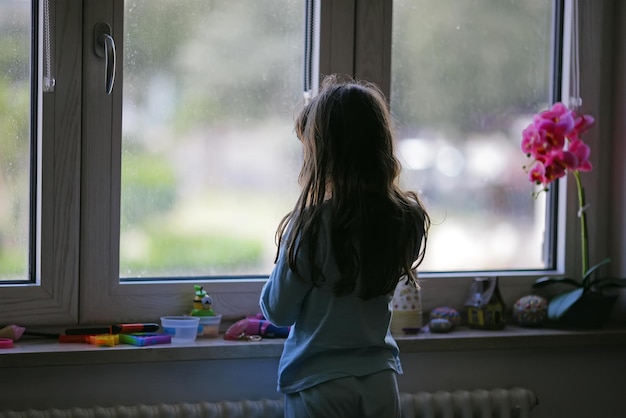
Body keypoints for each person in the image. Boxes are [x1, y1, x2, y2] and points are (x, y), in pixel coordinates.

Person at [260, 74, 430, 418]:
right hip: (380, 380)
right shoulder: (404, 219)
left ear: (323, 155)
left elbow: (278, 310)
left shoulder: (309, 224)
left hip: (319, 385)